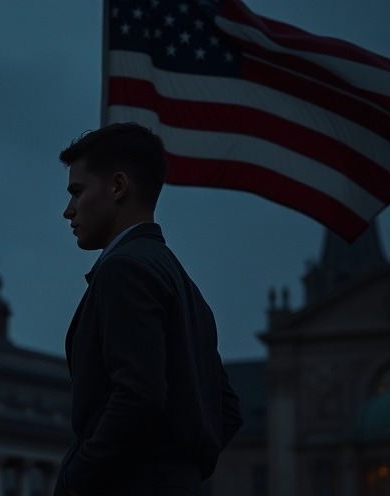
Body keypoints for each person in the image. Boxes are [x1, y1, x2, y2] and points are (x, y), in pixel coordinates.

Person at [53, 123, 242, 496]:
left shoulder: (124, 269)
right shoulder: (183, 283)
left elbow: (139, 394)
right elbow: (228, 409)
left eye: (77, 191)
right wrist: (180, 467)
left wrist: (77, 476)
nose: (68, 210)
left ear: (118, 187)